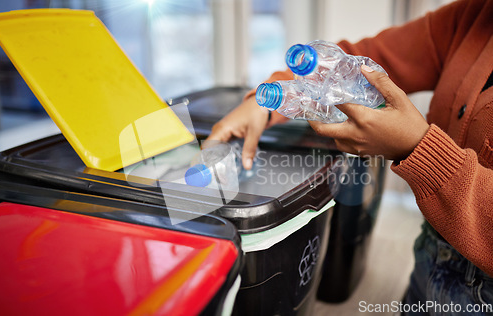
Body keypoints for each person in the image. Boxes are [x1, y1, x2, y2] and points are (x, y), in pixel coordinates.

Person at [207, 0, 493, 314]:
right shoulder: (474, 15)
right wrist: (268, 97)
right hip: (434, 245)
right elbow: (359, 62)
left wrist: (418, 148)